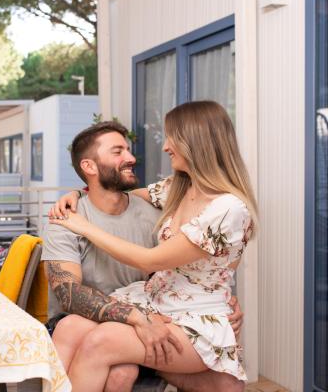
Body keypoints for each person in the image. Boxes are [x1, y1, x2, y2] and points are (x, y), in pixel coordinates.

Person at [42, 111, 247, 391]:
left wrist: (85, 227)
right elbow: (129, 194)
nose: (163, 147)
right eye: (118, 151)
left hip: (184, 316)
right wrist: (80, 194)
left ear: (196, 143)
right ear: (89, 166)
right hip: (151, 303)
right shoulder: (176, 189)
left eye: (171, 137)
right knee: (70, 328)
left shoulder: (226, 208)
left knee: (113, 359)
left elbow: (152, 260)